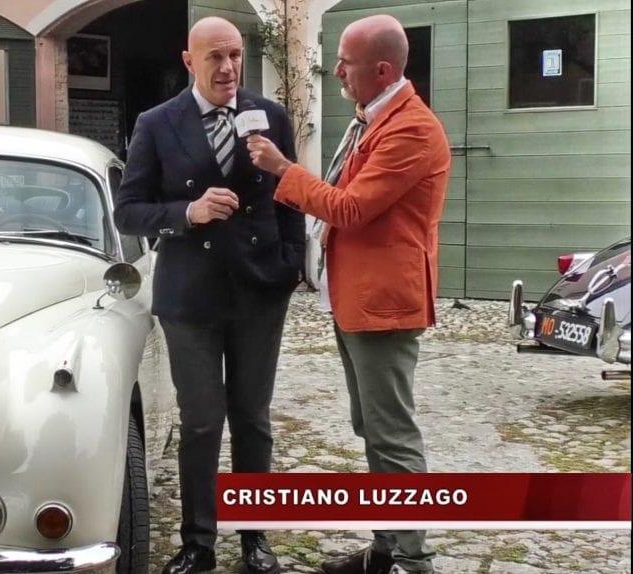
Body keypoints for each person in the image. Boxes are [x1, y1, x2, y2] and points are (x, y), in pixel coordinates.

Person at [247, 14, 450, 574]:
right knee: (373, 430)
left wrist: (283, 169)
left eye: (346, 62)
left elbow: (351, 208)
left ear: (382, 70)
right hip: (357, 300)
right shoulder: (372, 118)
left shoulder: (412, 129)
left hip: (385, 306)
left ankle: (413, 560)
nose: (335, 70)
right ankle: (386, 548)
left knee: (392, 435)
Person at [114, 16, 305, 574]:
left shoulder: (270, 117)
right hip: (190, 295)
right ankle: (198, 542)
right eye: (215, 57)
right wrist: (187, 212)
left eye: (235, 55)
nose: (227, 68)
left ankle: (255, 539)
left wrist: (292, 265)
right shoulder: (157, 123)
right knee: (200, 420)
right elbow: (128, 210)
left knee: (252, 418)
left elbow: (290, 195)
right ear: (189, 61)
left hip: (258, 290)